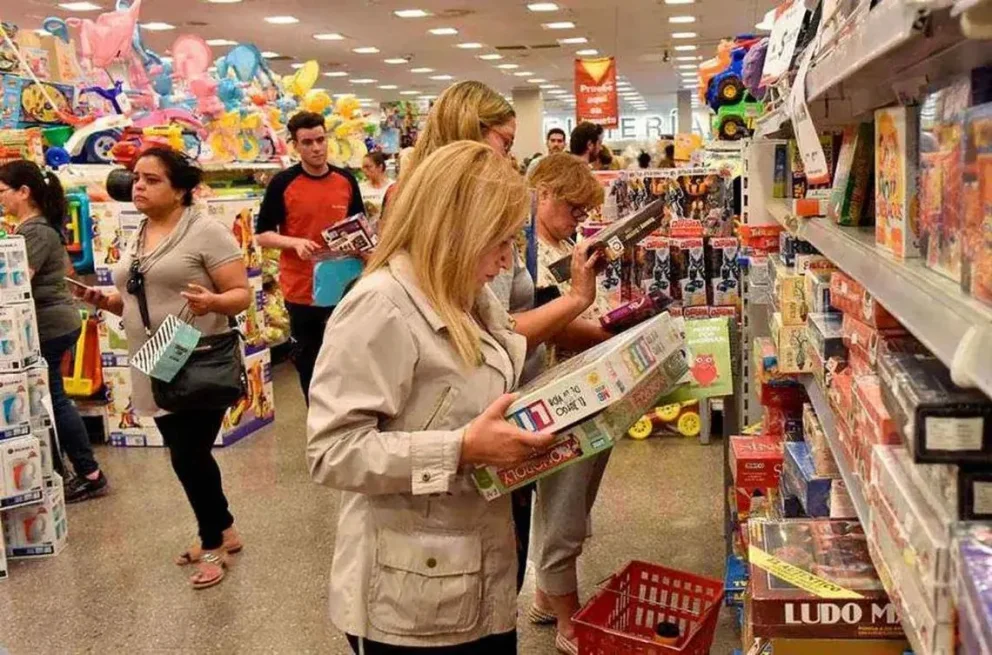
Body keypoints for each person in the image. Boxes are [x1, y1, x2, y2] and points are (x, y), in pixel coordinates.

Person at [307, 141, 557, 654]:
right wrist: (460, 449)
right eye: (498, 240)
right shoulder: (380, 306)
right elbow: (332, 452)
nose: (506, 259)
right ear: (455, 229)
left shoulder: (465, 295)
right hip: (408, 599)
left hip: (473, 569)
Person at [395, 80, 604, 596]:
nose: (509, 159)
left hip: (499, 401)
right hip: (463, 421)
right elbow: (491, 332)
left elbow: (499, 324)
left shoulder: (477, 213)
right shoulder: (418, 247)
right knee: (466, 563)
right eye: (505, 143)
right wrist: (575, 303)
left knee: (498, 559)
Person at [75, 147, 251, 590]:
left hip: (199, 356)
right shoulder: (141, 232)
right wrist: (106, 301)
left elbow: (241, 294)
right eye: (136, 177)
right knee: (187, 454)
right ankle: (225, 529)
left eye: (152, 180)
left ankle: (212, 543)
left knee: (189, 457)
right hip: (155, 360)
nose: (138, 186)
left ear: (180, 189)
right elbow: (139, 300)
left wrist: (213, 302)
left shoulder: (206, 231)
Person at [527, 153, 614, 654]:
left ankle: (545, 596)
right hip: (559, 397)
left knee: (569, 501)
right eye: (573, 208)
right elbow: (553, 327)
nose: (578, 219)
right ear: (544, 194)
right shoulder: (528, 254)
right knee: (564, 508)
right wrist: (609, 332)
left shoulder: (562, 245)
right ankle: (568, 621)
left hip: (584, 388)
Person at [0, 161, 109, 503]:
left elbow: (18, 281)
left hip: (49, 324)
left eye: (2, 191)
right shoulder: (33, 228)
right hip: (52, 322)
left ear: (23, 192)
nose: (0, 198)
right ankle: (62, 468)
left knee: (55, 398)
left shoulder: (35, 232)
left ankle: (90, 473)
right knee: (50, 397)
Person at [256, 111, 364, 402]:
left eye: (320, 139)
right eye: (307, 142)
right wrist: (294, 242)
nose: (316, 148)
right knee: (310, 363)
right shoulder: (283, 183)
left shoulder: (346, 180)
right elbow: (262, 234)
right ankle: (316, 417)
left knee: (349, 360)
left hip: (346, 287)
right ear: (295, 146)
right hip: (302, 290)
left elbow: (360, 225)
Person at [359, 151, 390, 226]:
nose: (364, 171)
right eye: (363, 168)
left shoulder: (392, 187)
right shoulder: (360, 188)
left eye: (368, 167)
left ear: (380, 167)